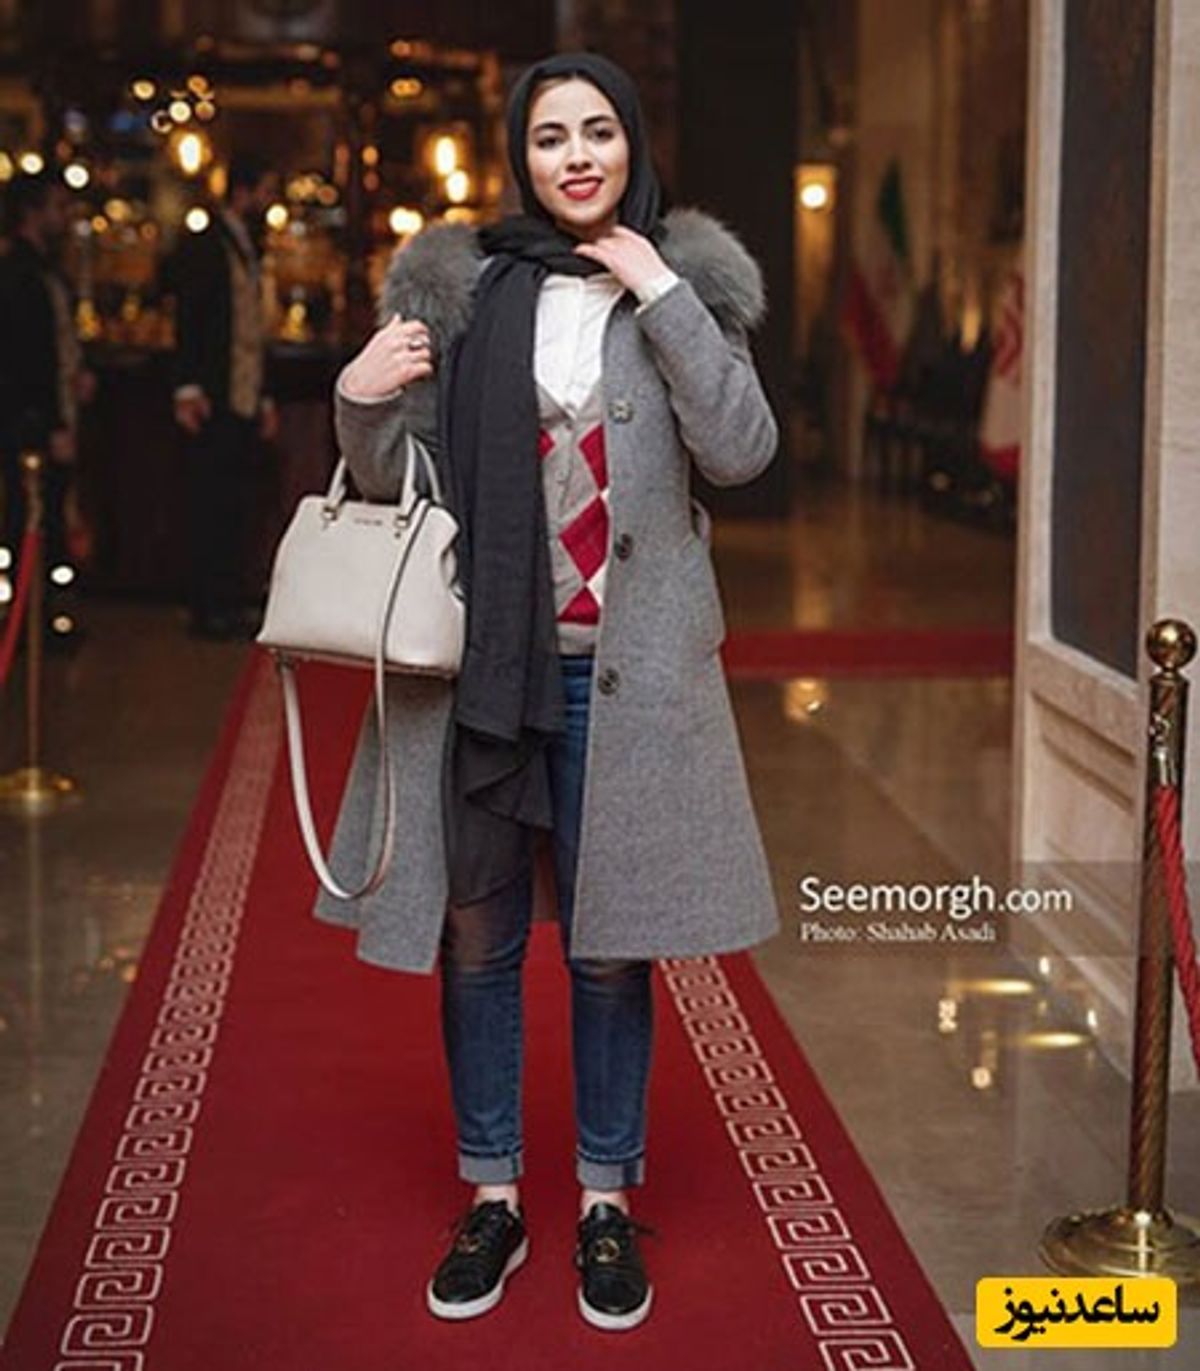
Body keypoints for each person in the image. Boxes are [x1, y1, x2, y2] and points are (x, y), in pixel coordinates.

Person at [319, 50, 780, 1331]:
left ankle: (605, 1205)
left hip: (627, 682)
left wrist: (662, 292)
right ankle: (494, 1195)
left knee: (609, 945)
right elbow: (394, 476)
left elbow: (741, 449)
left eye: (597, 132)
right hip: (485, 671)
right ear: (519, 158)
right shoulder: (465, 289)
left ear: (632, 143)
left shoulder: (686, 283)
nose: (576, 157)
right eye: (549, 137)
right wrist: (356, 401)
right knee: (477, 940)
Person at [169, 151, 279, 641]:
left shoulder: (250, 245)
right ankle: (206, 605)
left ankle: (227, 602)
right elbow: (190, 318)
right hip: (213, 394)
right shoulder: (206, 245)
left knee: (234, 503)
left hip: (243, 394)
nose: (270, 202)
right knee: (208, 502)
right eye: (265, 191)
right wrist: (187, 386)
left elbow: (255, 327)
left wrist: (264, 397)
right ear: (243, 192)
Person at [0, 170, 95, 649]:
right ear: (32, 212)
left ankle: (45, 616)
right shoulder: (17, 273)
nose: (66, 217)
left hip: (50, 411)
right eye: (58, 207)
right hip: (29, 422)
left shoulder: (46, 269)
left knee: (50, 516)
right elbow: (25, 359)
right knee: (31, 518)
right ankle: (28, 621)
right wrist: (51, 421)